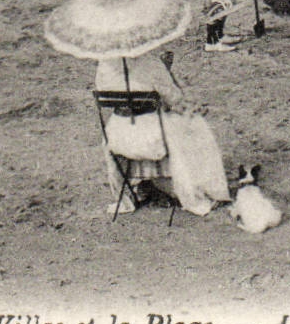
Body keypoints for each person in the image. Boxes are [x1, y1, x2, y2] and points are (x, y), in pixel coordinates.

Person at [94, 51, 231, 216]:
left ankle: (142, 184)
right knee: (195, 125)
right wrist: (165, 70)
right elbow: (174, 98)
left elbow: (103, 89)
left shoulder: (104, 64)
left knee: (167, 122)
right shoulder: (151, 64)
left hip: (116, 136)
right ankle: (198, 187)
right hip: (150, 137)